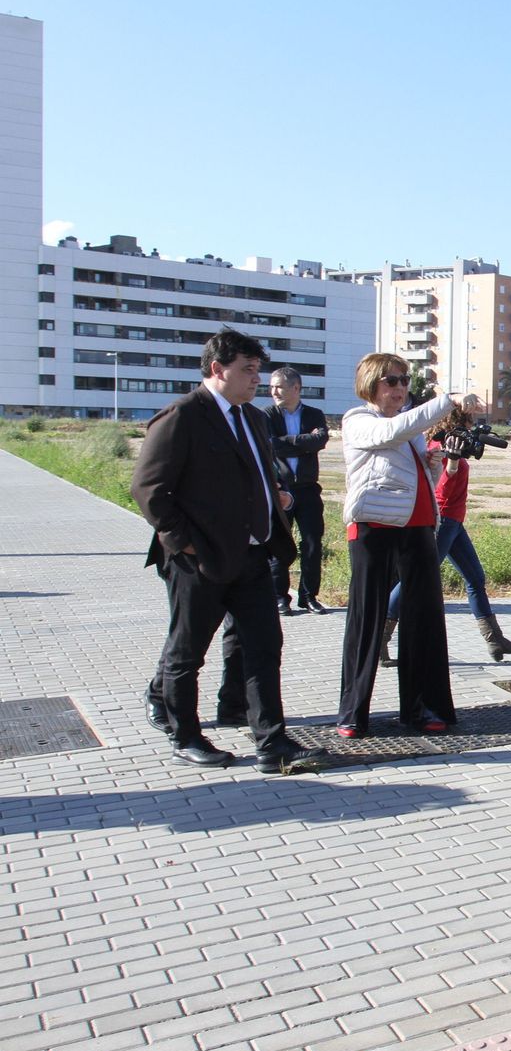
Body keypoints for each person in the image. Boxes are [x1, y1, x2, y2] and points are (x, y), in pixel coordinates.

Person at [131, 327, 329, 774]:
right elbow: (148, 489)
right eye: (248, 370)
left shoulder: (254, 418)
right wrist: (184, 543)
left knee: (264, 646)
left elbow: (257, 474)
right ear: (218, 369)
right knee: (187, 652)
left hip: (253, 555)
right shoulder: (183, 415)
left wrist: (275, 497)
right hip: (198, 560)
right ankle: (185, 737)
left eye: (258, 370)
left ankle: (272, 743)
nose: (257, 379)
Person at [337, 355, 481, 738]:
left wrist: (432, 463)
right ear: (371, 384)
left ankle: (424, 708)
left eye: (404, 381)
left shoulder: (409, 428)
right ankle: (352, 713)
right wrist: (448, 401)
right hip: (374, 526)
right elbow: (391, 433)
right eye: (391, 381)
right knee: (366, 618)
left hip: (418, 526)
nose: (400, 387)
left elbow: (416, 474)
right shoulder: (358, 420)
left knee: (425, 620)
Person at [381, 406, 511, 664]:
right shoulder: (439, 448)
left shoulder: (454, 444)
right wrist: (452, 461)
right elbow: (442, 491)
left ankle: (495, 641)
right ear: (456, 423)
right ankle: (379, 640)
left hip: (454, 522)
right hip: (443, 521)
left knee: (475, 578)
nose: (470, 429)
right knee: (414, 578)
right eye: (468, 424)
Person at [265, 366, 330, 615]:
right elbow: (270, 446)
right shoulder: (266, 415)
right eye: (271, 387)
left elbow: (319, 440)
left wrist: (288, 441)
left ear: (296, 388)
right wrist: (304, 441)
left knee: (312, 544)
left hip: (308, 490)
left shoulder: (314, 414)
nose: (273, 392)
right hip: (280, 490)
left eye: (279, 387)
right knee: (280, 544)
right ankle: (279, 597)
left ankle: (309, 596)